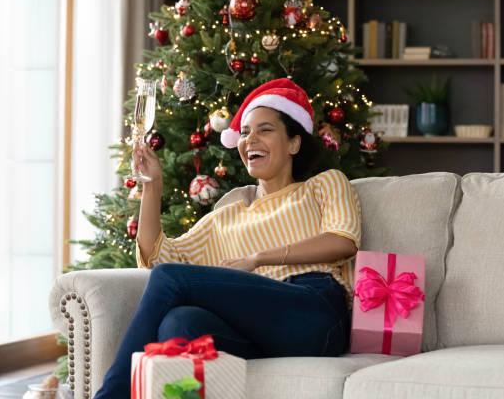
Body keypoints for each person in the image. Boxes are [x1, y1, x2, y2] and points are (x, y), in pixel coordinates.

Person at [93, 78, 362, 398]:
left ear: (293, 143)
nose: (251, 140)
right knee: (179, 322)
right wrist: (153, 186)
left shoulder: (323, 185)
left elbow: (343, 240)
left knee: (172, 284)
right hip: (258, 335)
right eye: (245, 132)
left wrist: (259, 258)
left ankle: (109, 395)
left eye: (265, 129)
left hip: (315, 314)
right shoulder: (226, 217)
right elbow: (157, 258)